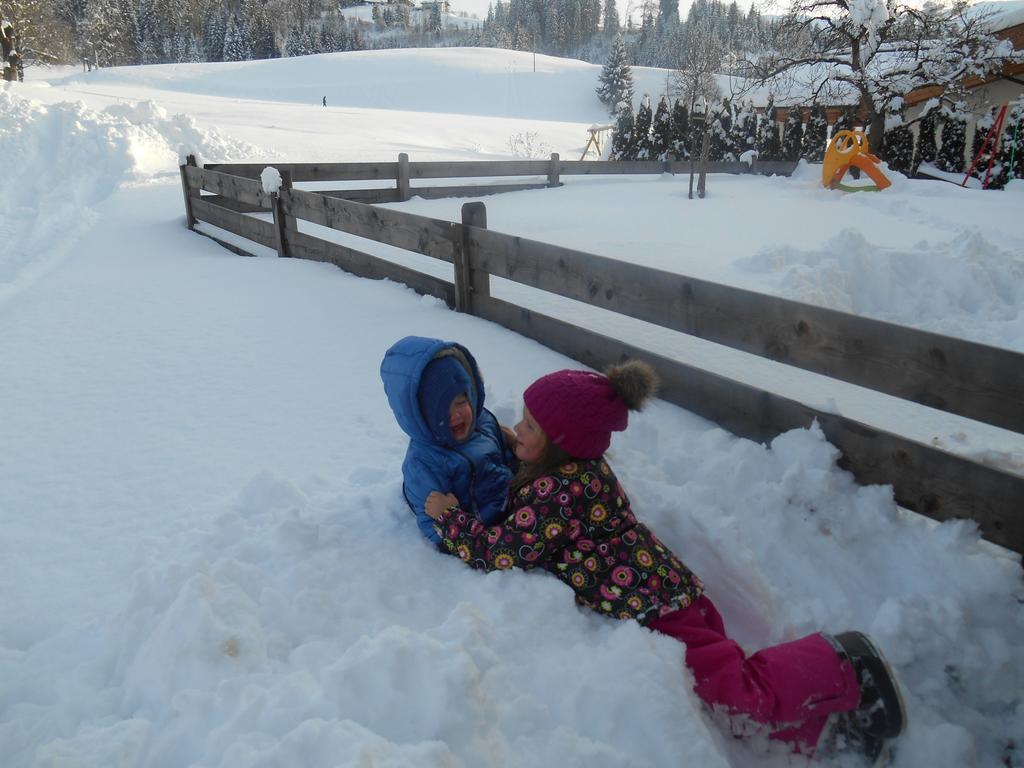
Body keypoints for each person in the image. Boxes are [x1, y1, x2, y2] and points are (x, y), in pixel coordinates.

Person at [425, 361, 906, 763]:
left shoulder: (557, 491)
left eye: (530, 426)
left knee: (735, 693)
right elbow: (542, 477)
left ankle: (845, 664)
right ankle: (820, 723)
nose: (518, 429)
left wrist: (451, 521)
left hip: (661, 610)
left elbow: (504, 551)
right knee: (726, 691)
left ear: (561, 442)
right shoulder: (580, 466)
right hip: (670, 592)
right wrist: (519, 443)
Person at [381, 336, 516, 545]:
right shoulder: (424, 463)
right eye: (441, 410)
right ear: (421, 415)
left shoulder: (483, 423)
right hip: (478, 532)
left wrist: (515, 449)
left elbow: (506, 463)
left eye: (461, 402)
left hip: (515, 507)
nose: (456, 415)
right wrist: (447, 515)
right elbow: (432, 526)